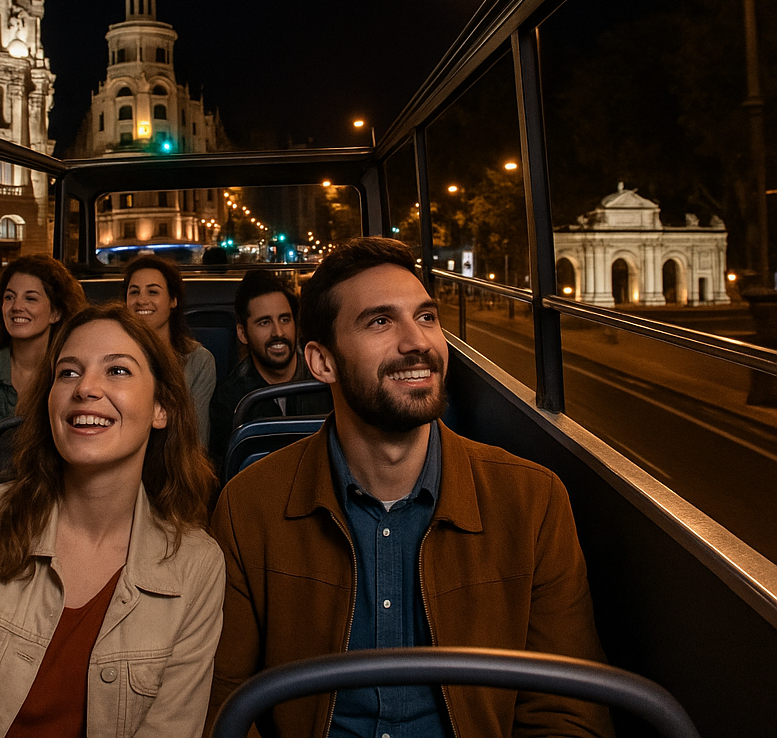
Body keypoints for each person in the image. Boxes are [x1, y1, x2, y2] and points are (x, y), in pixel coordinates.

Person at [205, 238, 614, 738]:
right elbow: (225, 703)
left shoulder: (532, 502)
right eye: (380, 321)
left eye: (426, 317)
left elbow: (568, 711)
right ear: (322, 362)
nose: (417, 341)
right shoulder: (250, 507)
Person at [0, 304, 224, 738]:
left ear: (161, 407)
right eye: (67, 372)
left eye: (118, 372)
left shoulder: (197, 567)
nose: (86, 387)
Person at [0, 255, 87, 481]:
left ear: (55, 312)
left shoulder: (74, 370)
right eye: (9, 297)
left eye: (30, 298)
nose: (16, 307)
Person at [207, 269, 330, 467]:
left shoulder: (325, 380)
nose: (278, 332)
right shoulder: (229, 398)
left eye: (285, 319)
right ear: (242, 333)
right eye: (264, 322)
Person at [124, 255, 216, 447]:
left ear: (173, 300)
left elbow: (196, 442)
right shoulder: (113, 357)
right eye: (134, 292)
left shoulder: (198, 361)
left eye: (152, 292)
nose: (141, 300)